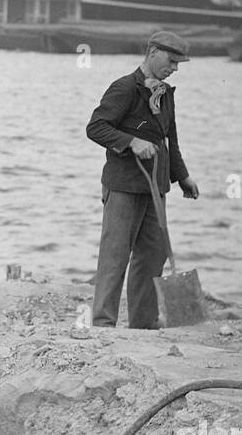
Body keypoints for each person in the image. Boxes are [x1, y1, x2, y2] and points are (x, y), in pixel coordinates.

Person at [86, 31, 200, 328]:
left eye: (178, 64)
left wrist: (182, 176)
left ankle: (143, 324)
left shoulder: (166, 94)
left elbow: (169, 139)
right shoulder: (124, 87)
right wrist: (130, 141)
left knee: (153, 255)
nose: (174, 68)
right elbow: (96, 127)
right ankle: (102, 323)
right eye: (171, 60)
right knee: (115, 256)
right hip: (123, 185)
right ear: (152, 52)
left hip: (156, 187)